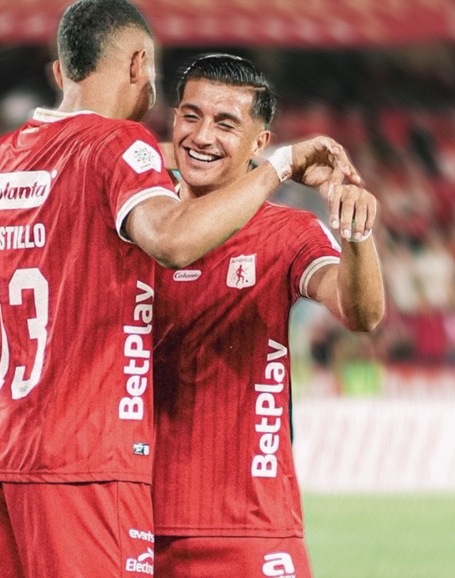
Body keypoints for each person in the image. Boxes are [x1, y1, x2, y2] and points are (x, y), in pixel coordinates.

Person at [0, 1, 358, 577]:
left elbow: (21, 315)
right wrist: (280, 164)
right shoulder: (122, 144)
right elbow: (171, 240)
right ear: (140, 63)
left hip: (0, 457)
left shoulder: (5, 158)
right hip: (87, 459)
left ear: (61, 72)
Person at [151, 54, 385, 577]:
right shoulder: (140, 225)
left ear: (259, 143)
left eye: (225, 123)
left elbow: (361, 313)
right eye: (191, 116)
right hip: (131, 521)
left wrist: (357, 233)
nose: (202, 136)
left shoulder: (288, 233)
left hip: (251, 528)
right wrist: (282, 164)